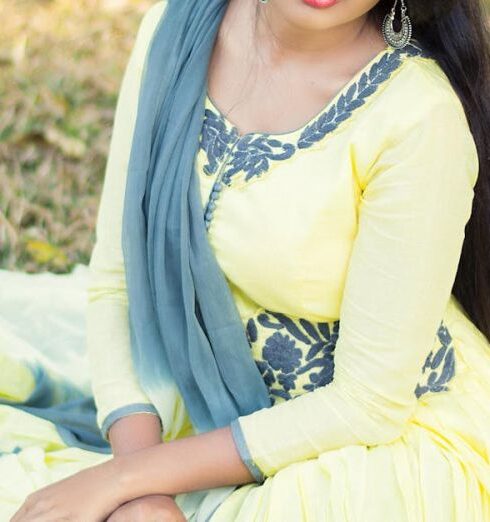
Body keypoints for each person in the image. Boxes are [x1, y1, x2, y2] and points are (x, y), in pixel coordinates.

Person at [8, 0, 490, 520]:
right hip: (195, 418)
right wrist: (141, 492)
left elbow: (366, 405)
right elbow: (117, 281)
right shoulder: (177, 35)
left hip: (370, 441)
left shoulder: (417, 116)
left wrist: (126, 479)